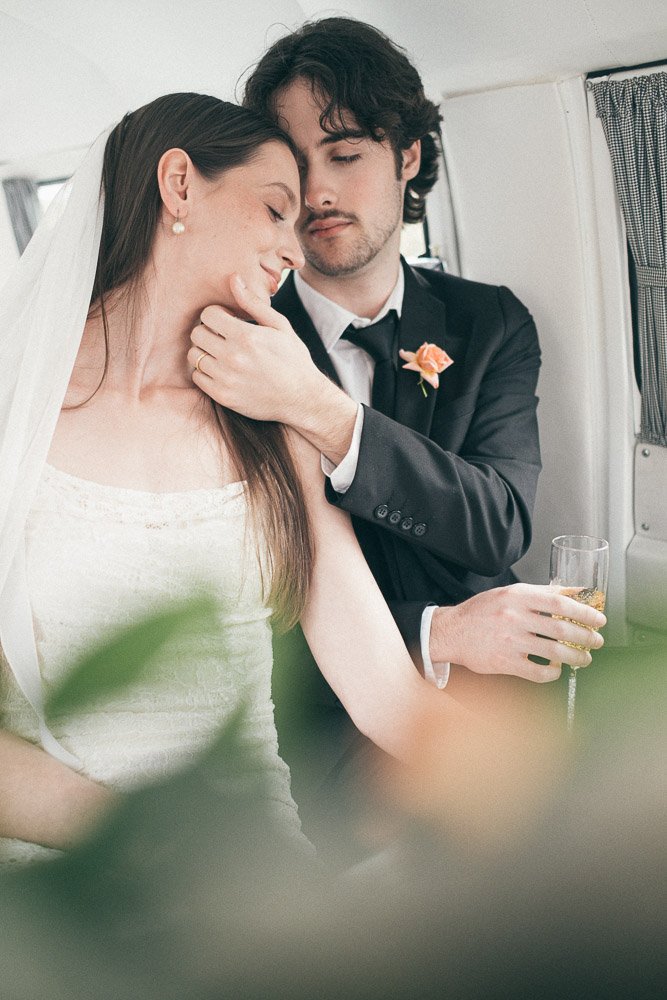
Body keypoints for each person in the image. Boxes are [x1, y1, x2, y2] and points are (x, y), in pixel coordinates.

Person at [0, 91, 603, 867]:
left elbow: (391, 701)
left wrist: (576, 804)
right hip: (72, 886)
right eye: (275, 208)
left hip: (261, 869)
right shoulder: (14, 419)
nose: (295, 249)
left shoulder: (273, 426)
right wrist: (154, 846)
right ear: (178, 184)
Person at [184, 18, 605, 797]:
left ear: (406, 157)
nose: (315, 193)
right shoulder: (233, 342)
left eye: (344, 155)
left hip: (501, 687)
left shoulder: (488, 323)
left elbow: (498, 524)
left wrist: (324, 413)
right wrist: (431, 633)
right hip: (311, 727)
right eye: (292, 164)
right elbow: (235, 599)